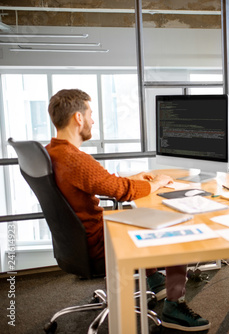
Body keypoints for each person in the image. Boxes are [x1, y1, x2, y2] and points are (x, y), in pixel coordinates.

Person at [45, 89, 210, 331]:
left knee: (138, 215)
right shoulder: (75, 159)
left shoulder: (53, 151)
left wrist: (135, 179)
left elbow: (101, 181)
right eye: (90, 114)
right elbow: (122, 191)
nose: (93, 120)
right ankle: (175, 307)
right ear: (78, 118)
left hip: (78, 242)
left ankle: (154, 278)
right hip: (99, 246)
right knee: (177, 227)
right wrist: (157, 183)